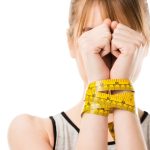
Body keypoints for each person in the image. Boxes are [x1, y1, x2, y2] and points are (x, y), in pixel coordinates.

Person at [8, 0, 150, 149]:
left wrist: (121, 86)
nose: (108, 48)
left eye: (122, 35)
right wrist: (98, 85)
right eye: (92, 34)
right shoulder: (31, 131)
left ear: (145, 44)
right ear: (71, 43)